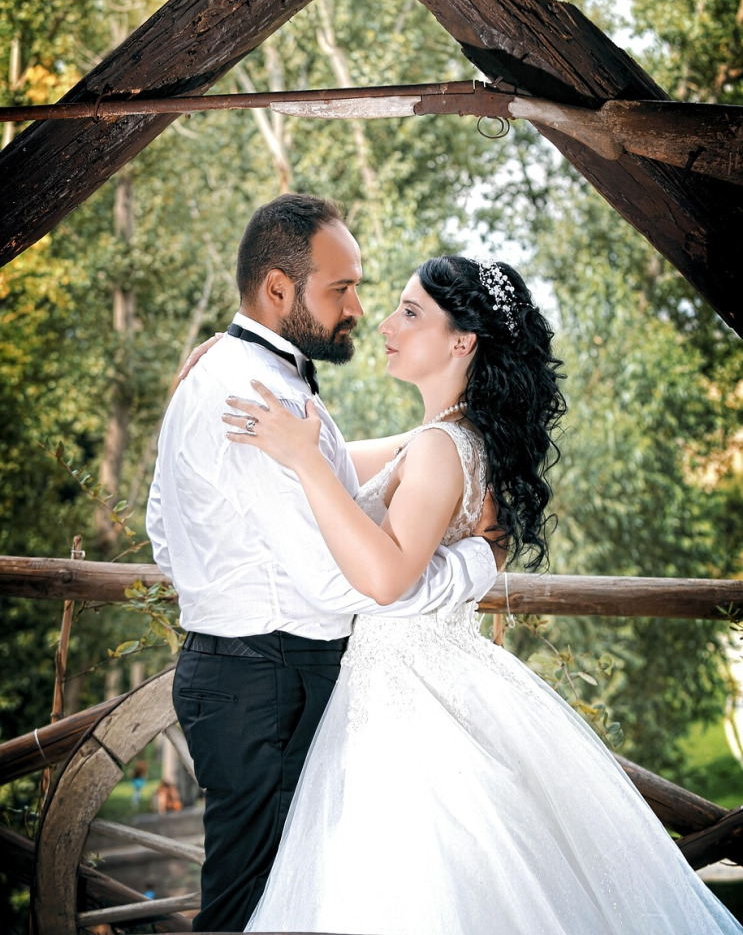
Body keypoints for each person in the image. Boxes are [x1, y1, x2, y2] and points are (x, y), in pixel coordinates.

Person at [223, 254, 743, 935]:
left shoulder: (443, 447)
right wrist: (244, 359)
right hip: (429, 677)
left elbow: (384, 576)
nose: (384, 324)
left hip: (407, 700)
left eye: (409, 312)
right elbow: (342, 457)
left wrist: (300, 461)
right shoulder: (450, 438)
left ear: (461, 340)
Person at [145, 194, 500, 932]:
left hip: (242, 671)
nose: (360, 310)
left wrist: (443, 449)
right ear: (278, 289)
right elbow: (349, 582)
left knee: (285, 897)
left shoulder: (248, 377)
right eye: (342, 289)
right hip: (269, 680)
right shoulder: (254, 392)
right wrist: (474, 565)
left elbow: (164, 534)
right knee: (258, 908)